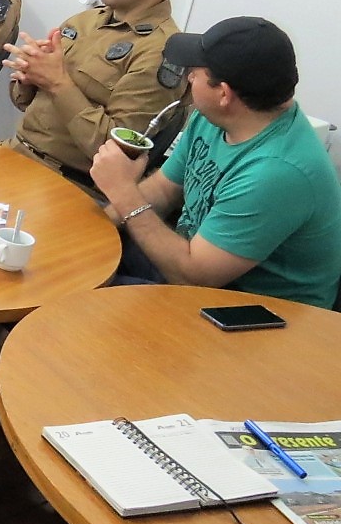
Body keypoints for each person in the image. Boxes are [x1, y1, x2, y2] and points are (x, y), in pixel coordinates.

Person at [91, 16, 341, 308]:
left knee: (82, 298)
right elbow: (162, 190)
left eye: (195, 72)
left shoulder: (276, 172)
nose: (189, 78)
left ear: (224, 93)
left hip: (255, 315)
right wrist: (93, 231)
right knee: (79, 256)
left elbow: (194, 277)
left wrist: (123, 191)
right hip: (190, 263)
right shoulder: (216, 118)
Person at [3, 0, 190, 183]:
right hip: (16, 152)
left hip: (68, 181)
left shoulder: (161, 52)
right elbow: (24, 103)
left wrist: (58, 83)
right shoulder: (84, 22)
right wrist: (28, 77)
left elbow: (114, 152)